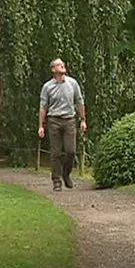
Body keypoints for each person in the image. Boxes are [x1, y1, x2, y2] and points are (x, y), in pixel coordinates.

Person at [38, 58, 87, 191]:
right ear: (53, 70)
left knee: (71, 151)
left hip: (69, 120)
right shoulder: (47, 87)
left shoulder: (73, 83)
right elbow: (43, 107)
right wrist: (41, 126)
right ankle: (56, 180)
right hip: (53, 120)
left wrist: (83, 120)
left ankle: (66, 174)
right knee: (56, 152)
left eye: (63, 64)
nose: (63, 66)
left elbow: (79, 102)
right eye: (59, 65)